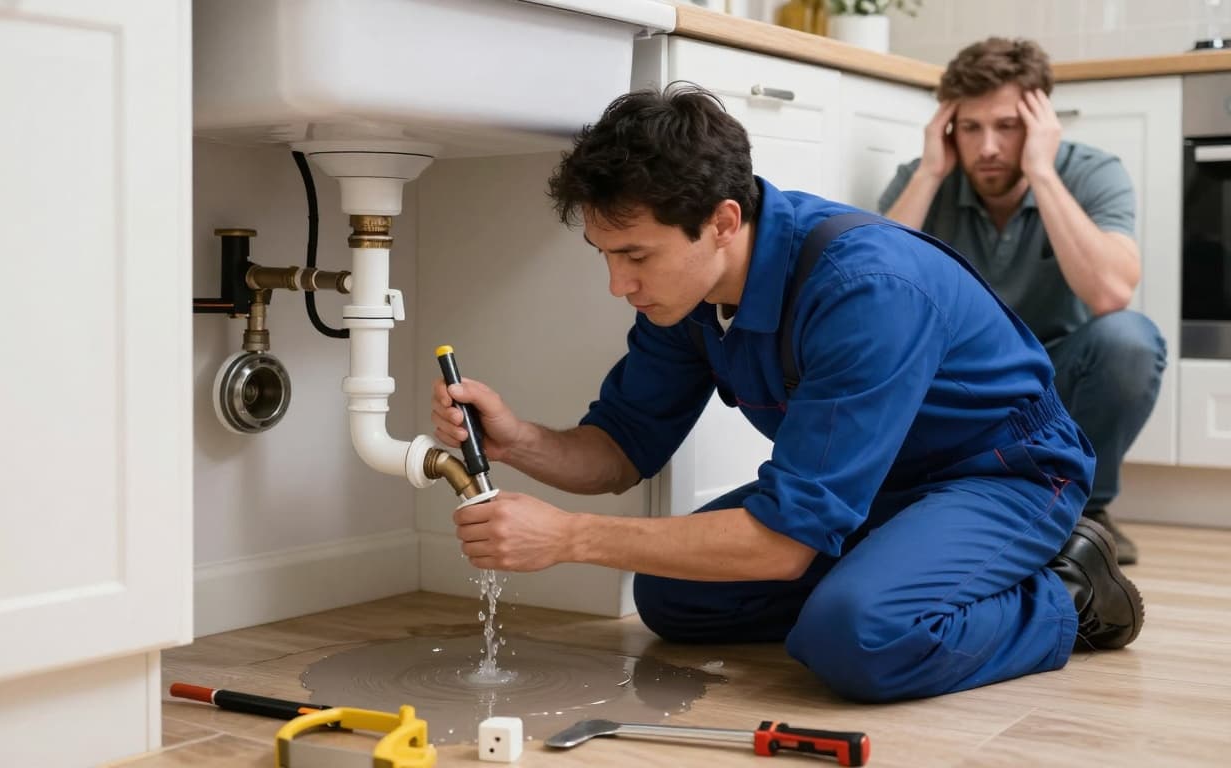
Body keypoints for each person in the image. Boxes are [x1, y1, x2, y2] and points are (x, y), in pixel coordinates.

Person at [430, 84, 1144, 704]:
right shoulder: (686, 297)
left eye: (635, 255)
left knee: (856, 637)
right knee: (671, 596)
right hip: (878, 483)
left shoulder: (865, 290)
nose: (619, 284)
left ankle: (1067, 590)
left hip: (1002, 475)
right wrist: (516, 439)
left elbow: (780, 545)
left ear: (723, 222)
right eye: (606, 256)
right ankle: (895, 578)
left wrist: (569, 537)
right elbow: (620, 450)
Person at [878, 37, 1165, 565]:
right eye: (970, 127)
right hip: (966, 386)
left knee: (1130, 340)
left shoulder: (1092, 172)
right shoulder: (924, 177)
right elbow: (875, 300)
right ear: (948, 127)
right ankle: (970, 501)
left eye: (1007, 126)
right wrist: (929, 172)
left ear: (1040, 123)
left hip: (1058, 379)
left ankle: (1088, 510)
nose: (988, 147)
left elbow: (1111, 293)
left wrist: (1042, 172)